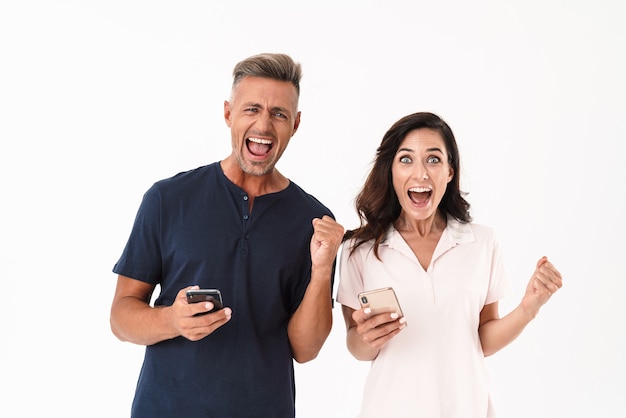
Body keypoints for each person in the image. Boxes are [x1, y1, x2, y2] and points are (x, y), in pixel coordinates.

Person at [110, 53, 344, 417]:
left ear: (295, 124)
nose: (264, 125)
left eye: (279, 114)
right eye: (252, 109)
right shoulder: (168, 199)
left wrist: (322, 270)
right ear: (228, 113)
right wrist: (171, 320)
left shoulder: (313, 221)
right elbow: (121, 317)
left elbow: (306, 349)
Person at [336, 112, 563, 417]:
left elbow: (481, 339)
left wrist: (528, 308)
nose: (420, 174)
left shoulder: (481, 242)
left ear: (450, 172)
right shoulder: (359, 249)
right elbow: (356, 346)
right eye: (406, 160)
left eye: (433, 160)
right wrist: (366, 338)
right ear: (390, 170)